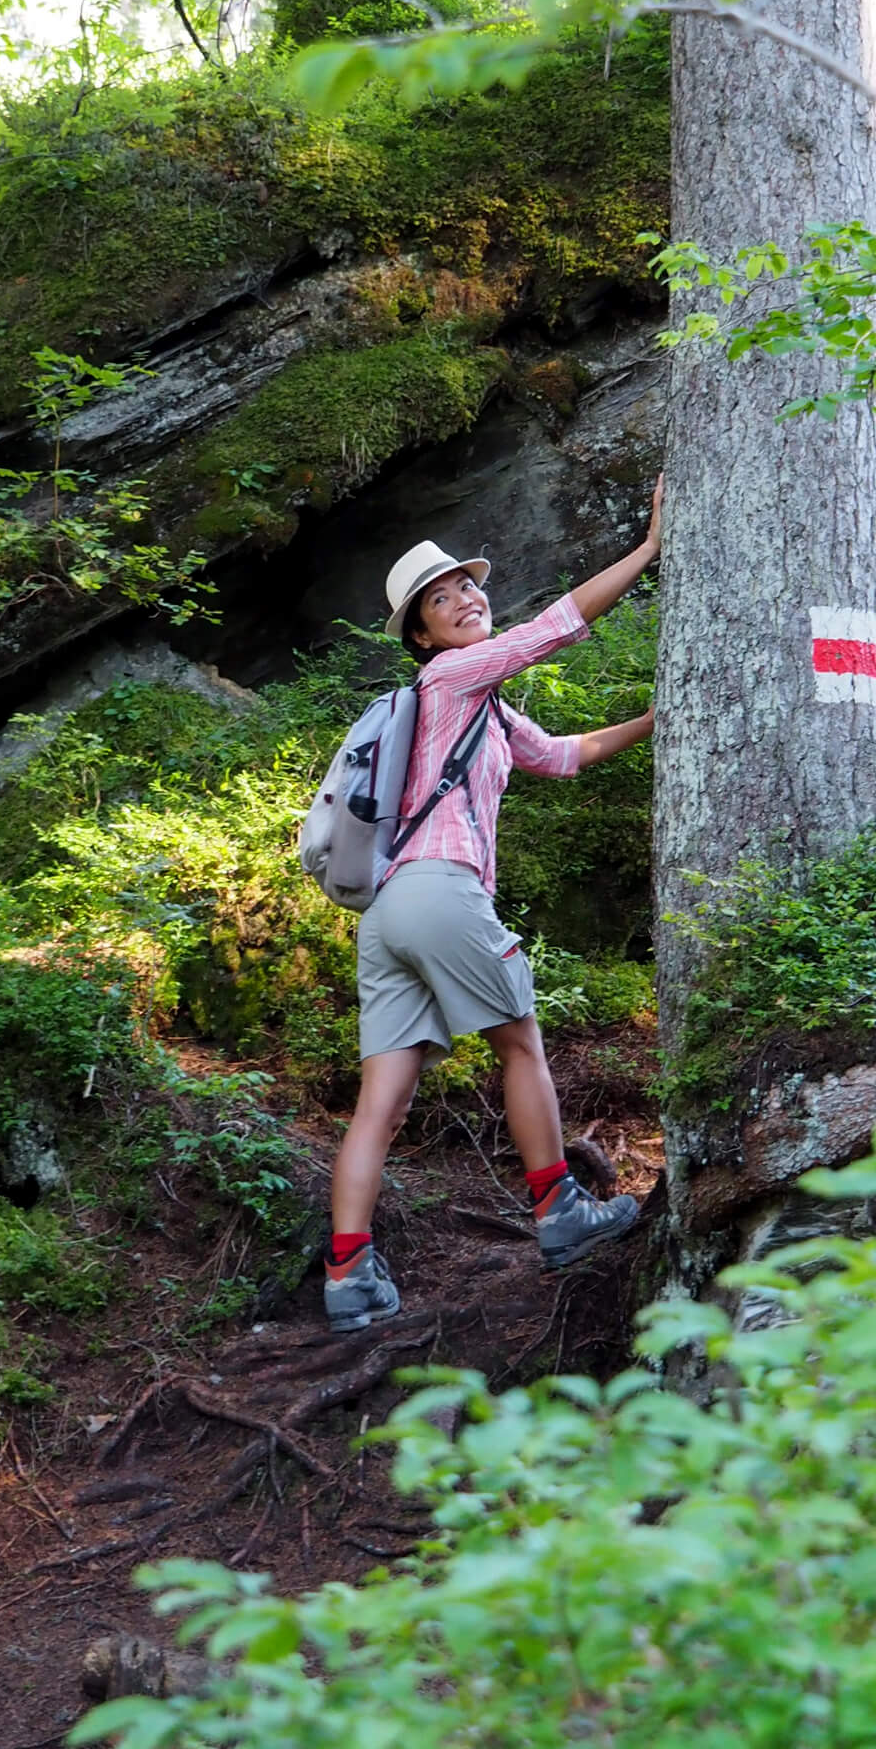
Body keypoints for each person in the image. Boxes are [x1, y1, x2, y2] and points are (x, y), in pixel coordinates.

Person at [324, 479, 664, 1329]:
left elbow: (566, 754)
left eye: (467, 586)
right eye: (442, 599)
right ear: (421, 633)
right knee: (520, 1045)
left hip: (388, 914)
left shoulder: (479, 709)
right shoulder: (451, 678)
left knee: (382, 1104)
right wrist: (649, 549)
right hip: (439, 891)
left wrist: (661, 717)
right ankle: (560, 1214)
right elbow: (556, 626)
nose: (464, 600)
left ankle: (348, 1278)